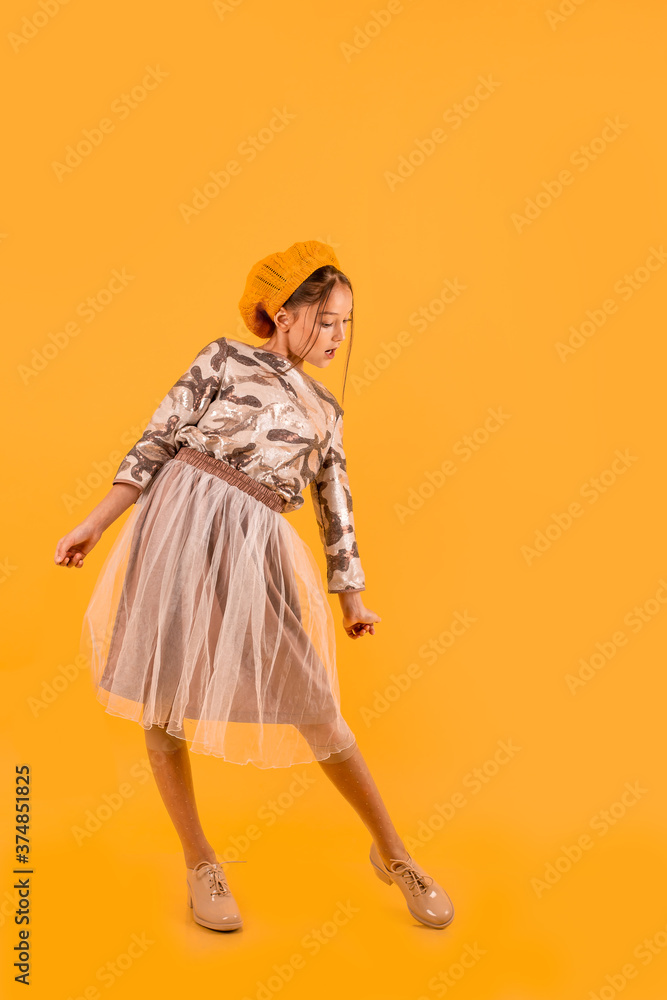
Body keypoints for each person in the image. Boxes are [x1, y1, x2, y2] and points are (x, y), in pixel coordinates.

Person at [54, 240, 454, 933]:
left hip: (256, 541)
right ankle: (199, 860)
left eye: (345, 324)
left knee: (316, 703)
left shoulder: (325, 411)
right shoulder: (223, 357)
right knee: (163, 691)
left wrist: (350, 595)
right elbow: (157, 439)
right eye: (325, 320)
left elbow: (337, 505)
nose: (337, 337)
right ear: (282, 312)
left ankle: (392, 853)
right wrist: (96, 522)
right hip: (176, 520)